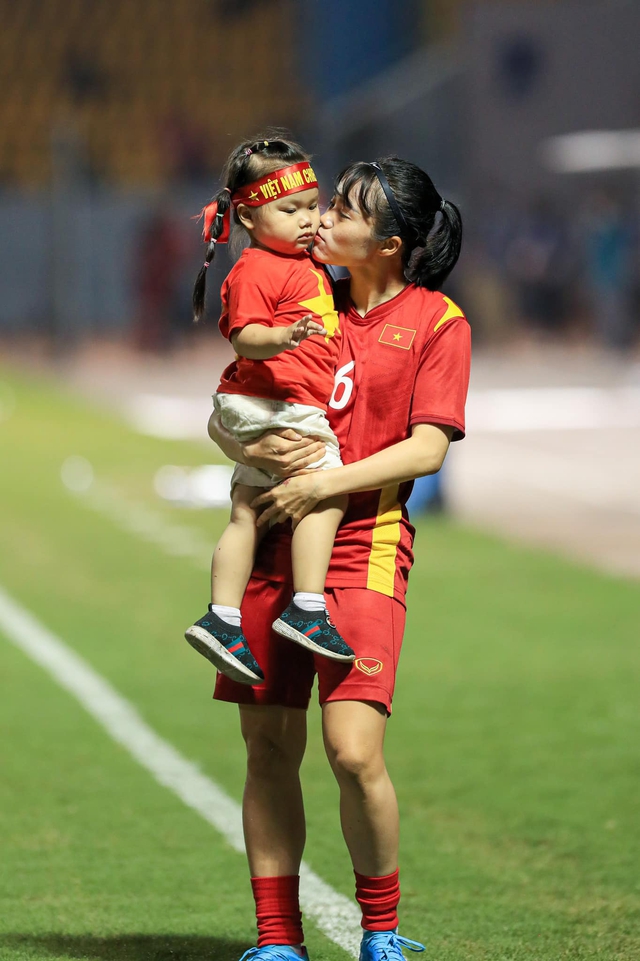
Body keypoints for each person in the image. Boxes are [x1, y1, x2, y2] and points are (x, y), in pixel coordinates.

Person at [208, 156, 470, 961]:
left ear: (388, 245)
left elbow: (427, 450)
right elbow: (241, 394)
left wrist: (322, 483)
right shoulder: (304, 293)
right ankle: (278, 939)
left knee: (354, 751)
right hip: (273, 548)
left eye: (344, 213)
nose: (320, 220)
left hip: (363, 546)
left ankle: (381, 930)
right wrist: (233, 435)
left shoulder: (438, 322)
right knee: (268, 747)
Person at [185, 135, 355, 689]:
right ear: (249, 218)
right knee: (326, 488)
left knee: (245, 512)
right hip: (276, 405)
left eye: (313, 206)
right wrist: (284, 336)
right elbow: (245, 336)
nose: (308, 220)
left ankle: (222, 618)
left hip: (252, 406)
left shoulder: (298, 262)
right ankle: (308, 606)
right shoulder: (260, 268)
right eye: (290, 210)